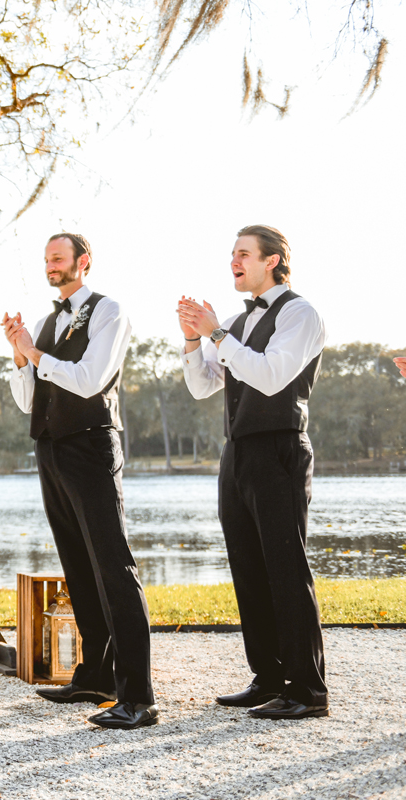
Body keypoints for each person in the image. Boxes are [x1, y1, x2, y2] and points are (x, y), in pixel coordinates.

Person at [1, 233, 157, 730]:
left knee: (112, 564)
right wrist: (21, 355)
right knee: (77, 564)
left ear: (82, 262)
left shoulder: (110, 311)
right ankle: (95, 676)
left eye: (58, 258)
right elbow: (30, 401)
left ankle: (139, 696)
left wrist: (38, 354)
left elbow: (90, 379)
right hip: (50, 448)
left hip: (91, 446)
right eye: (45, 258)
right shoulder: (48, 321)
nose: (50, 265)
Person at [178, 224, 328, 720]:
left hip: (280, 451)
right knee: (247, 567)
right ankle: (268, 677)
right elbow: (204, 387)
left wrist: (216, 332)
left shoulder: (300, 313)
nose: (234, 262)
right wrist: (192, 342)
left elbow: (269, 376)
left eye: (243, 254)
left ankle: (307, 690)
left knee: (286, 569)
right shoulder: (239, 323)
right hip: (238, 454)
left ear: (273, 260)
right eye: (232, 255)